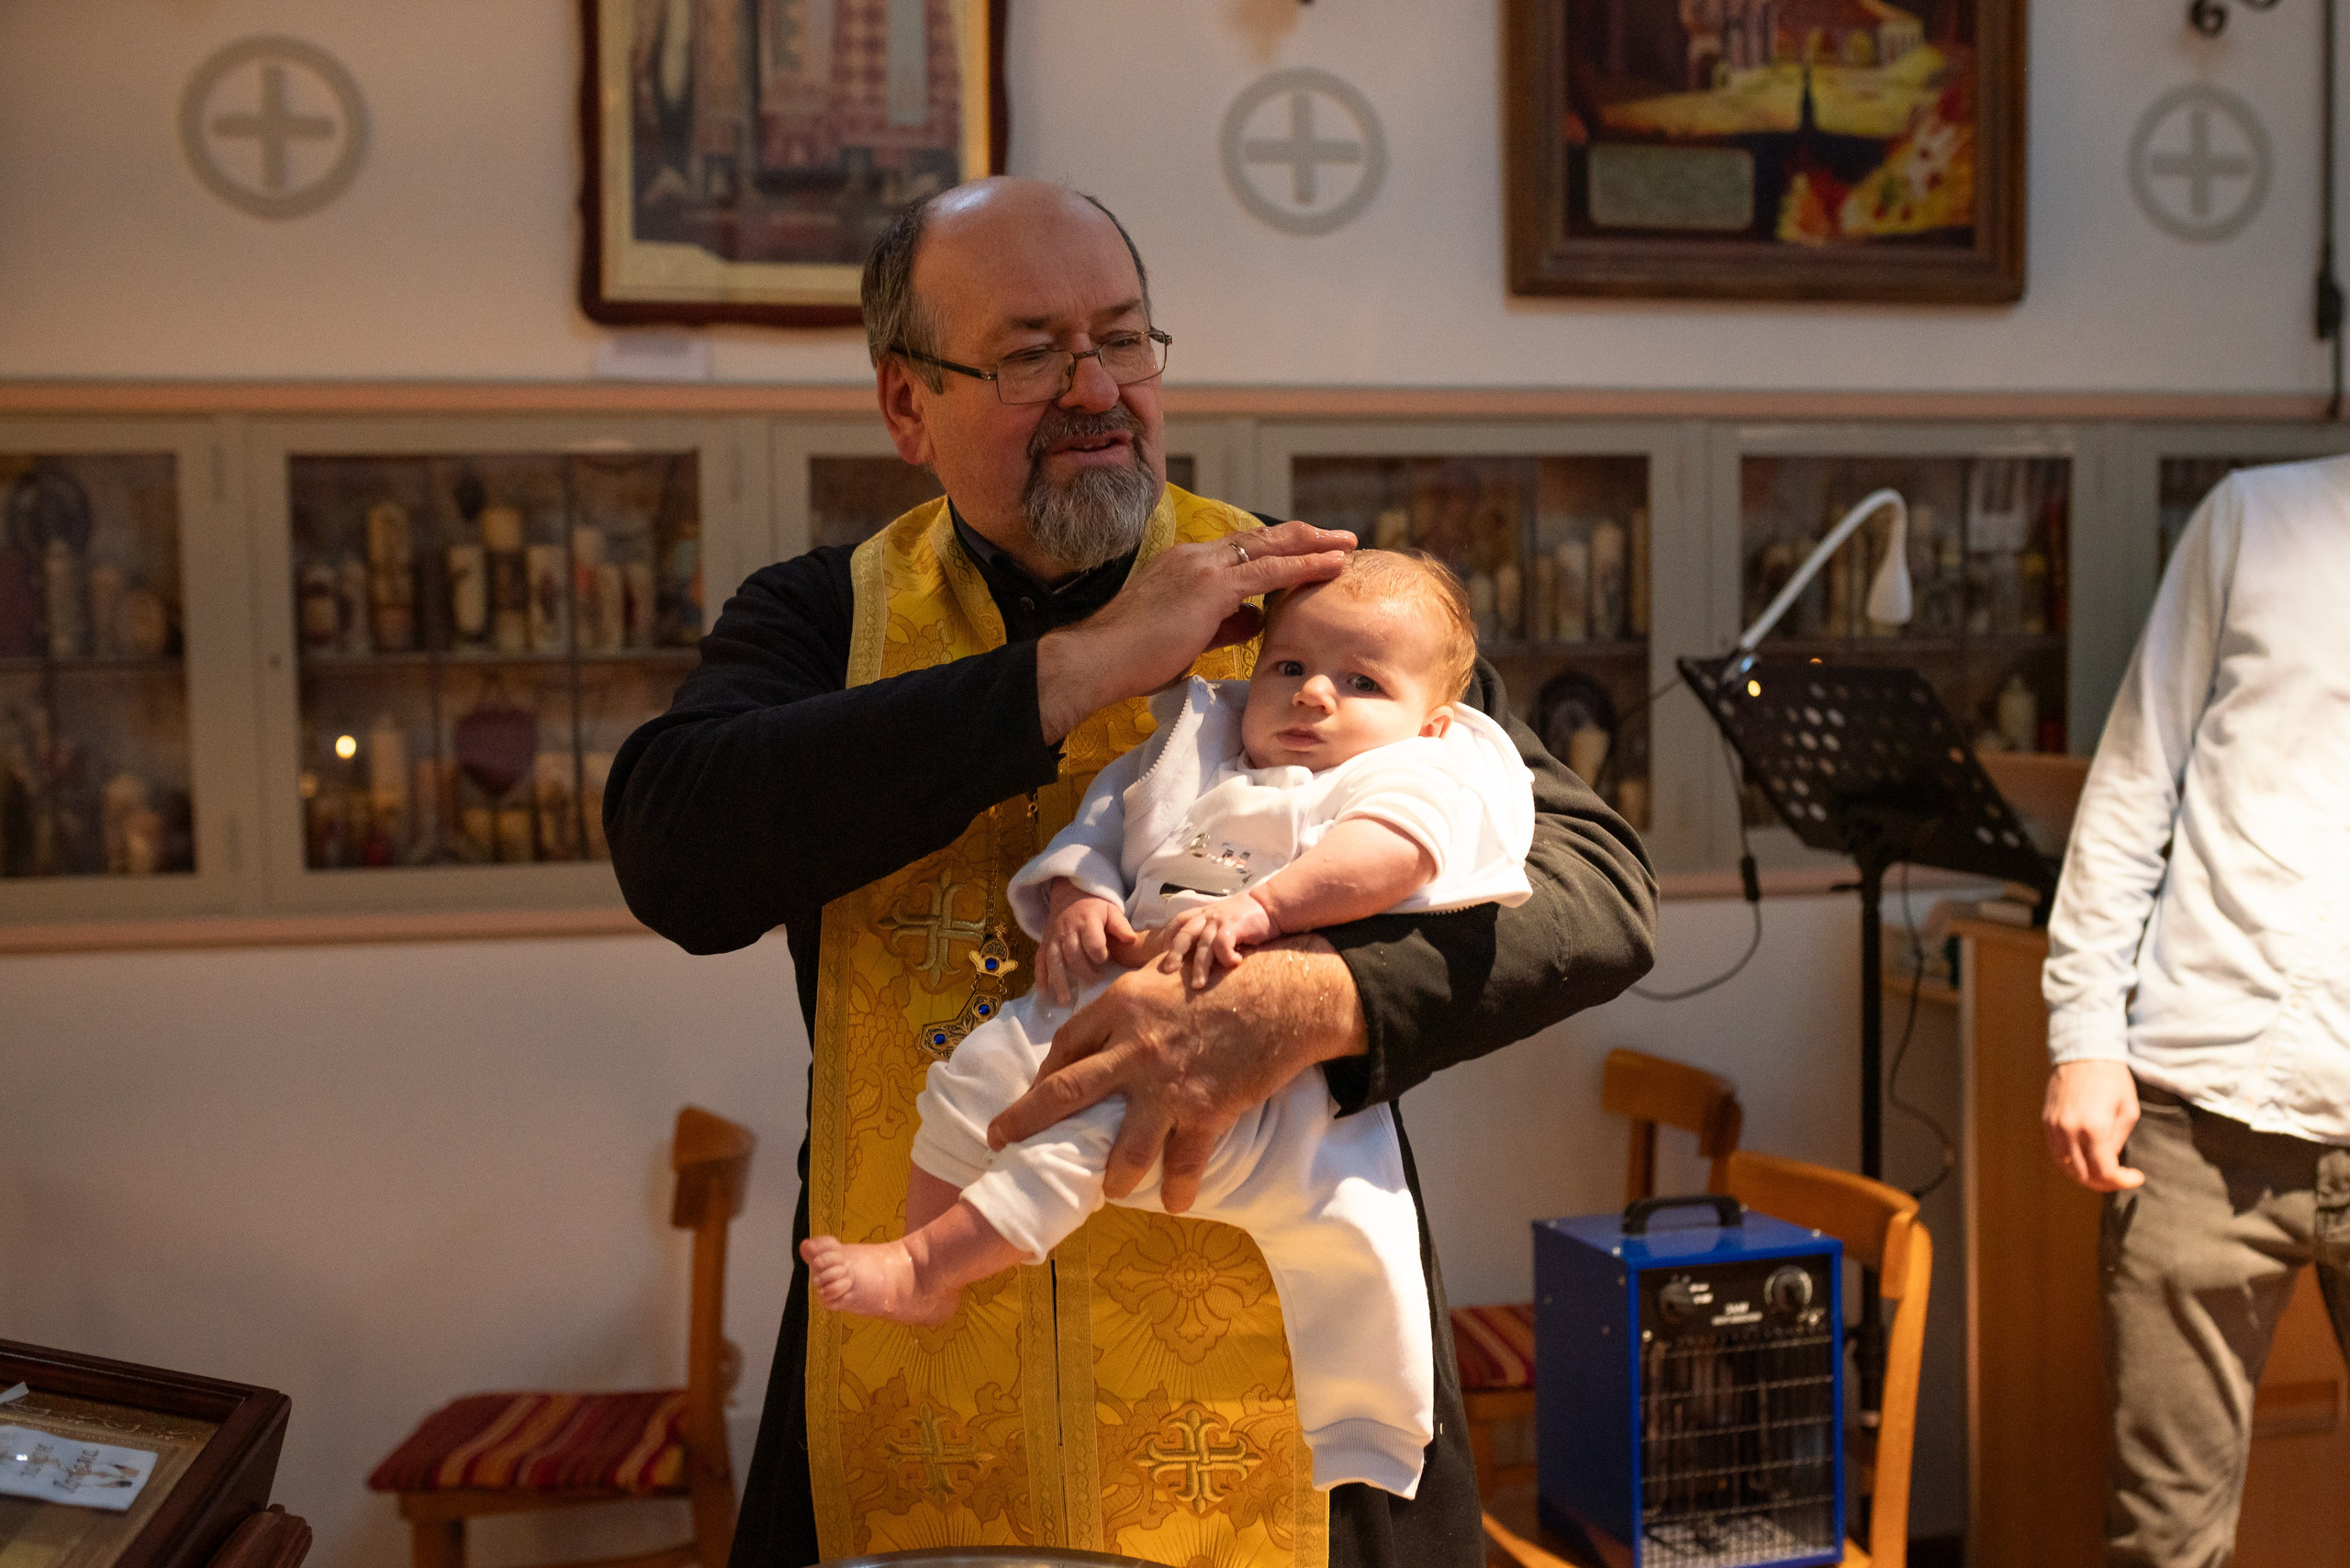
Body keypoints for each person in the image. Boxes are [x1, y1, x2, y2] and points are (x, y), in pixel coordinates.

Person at [607, 176, 1657, 1568]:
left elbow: (1598, 885)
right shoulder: (820, 618)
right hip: (917, 1349)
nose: (1097, 390)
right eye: (1031, 354)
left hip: (1267, 1384)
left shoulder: (1309, 603)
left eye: (1122, 339)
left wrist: (1307, 1001)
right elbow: (676, 853)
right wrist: (1084, 668)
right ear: (908, 405)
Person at [803, 550, 1535, 1504]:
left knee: (1082, 1128)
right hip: (1107, 997)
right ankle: (930, 1262)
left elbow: (1391, 857)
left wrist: (1265, 908)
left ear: (1429, 723)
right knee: (974, 1074)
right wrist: (1079, 897)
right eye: (1289, 667)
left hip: (1254, 1076)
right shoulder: (1198, 745)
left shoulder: (1402, 774)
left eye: (1361, 683)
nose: (1313, 694)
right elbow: (1104, 826)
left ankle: (920, 1265)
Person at [2042, 454, 2350, 1568]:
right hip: (2199, 1114)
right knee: (2163, 1539)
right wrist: (2085, 1036)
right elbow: (2135, 780)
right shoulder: (2253, 517)